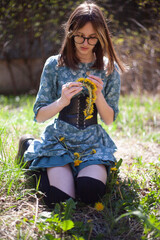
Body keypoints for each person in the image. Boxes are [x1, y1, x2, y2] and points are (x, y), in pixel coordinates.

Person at [17, 1, 125, 208]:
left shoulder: (108, 68)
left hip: (92, 144)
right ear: (70, 33)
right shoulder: (55, 65)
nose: (85, 42)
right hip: (60, 142)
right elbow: (39, 115)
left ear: (101, 37)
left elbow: (109, 120)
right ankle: (30, 148)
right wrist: (62, 101)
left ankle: (77, 173)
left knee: (89, 192)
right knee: (60, 200)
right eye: (79, 36)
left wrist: (99, 95)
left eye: (92, 37)